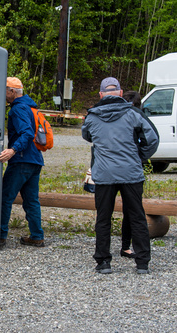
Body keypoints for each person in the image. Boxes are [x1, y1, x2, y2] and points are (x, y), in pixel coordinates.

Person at [82, 77, 159, 274]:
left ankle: (103, 262)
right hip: (131, 173)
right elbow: (152, 138)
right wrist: (139, 156)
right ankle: (142, 263)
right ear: (120, 93)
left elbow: (87, 136)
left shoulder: (91, 116)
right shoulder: (133, 113)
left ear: (100, 95)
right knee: (137, 217)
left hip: (105, 174)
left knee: (103, 218)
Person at [0, 77, 45, 247]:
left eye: (4, 90)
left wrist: (13, 150)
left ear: (12, 91)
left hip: (21, 161)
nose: (3, 93)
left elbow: (26, 133)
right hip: (35, 160)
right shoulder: (29, 106)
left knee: (4, 198)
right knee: (31, 200)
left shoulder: (17, 109)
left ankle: (0, 236)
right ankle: (37, 236)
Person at [119, 90, 159, 259]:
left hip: (112, 167)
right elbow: (153, 139)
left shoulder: (118, 115)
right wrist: (140, 157)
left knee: (113, 211)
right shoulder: (137, 115)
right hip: (131, 169)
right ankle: (133, 249)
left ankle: (123, 247)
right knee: (134, 210)